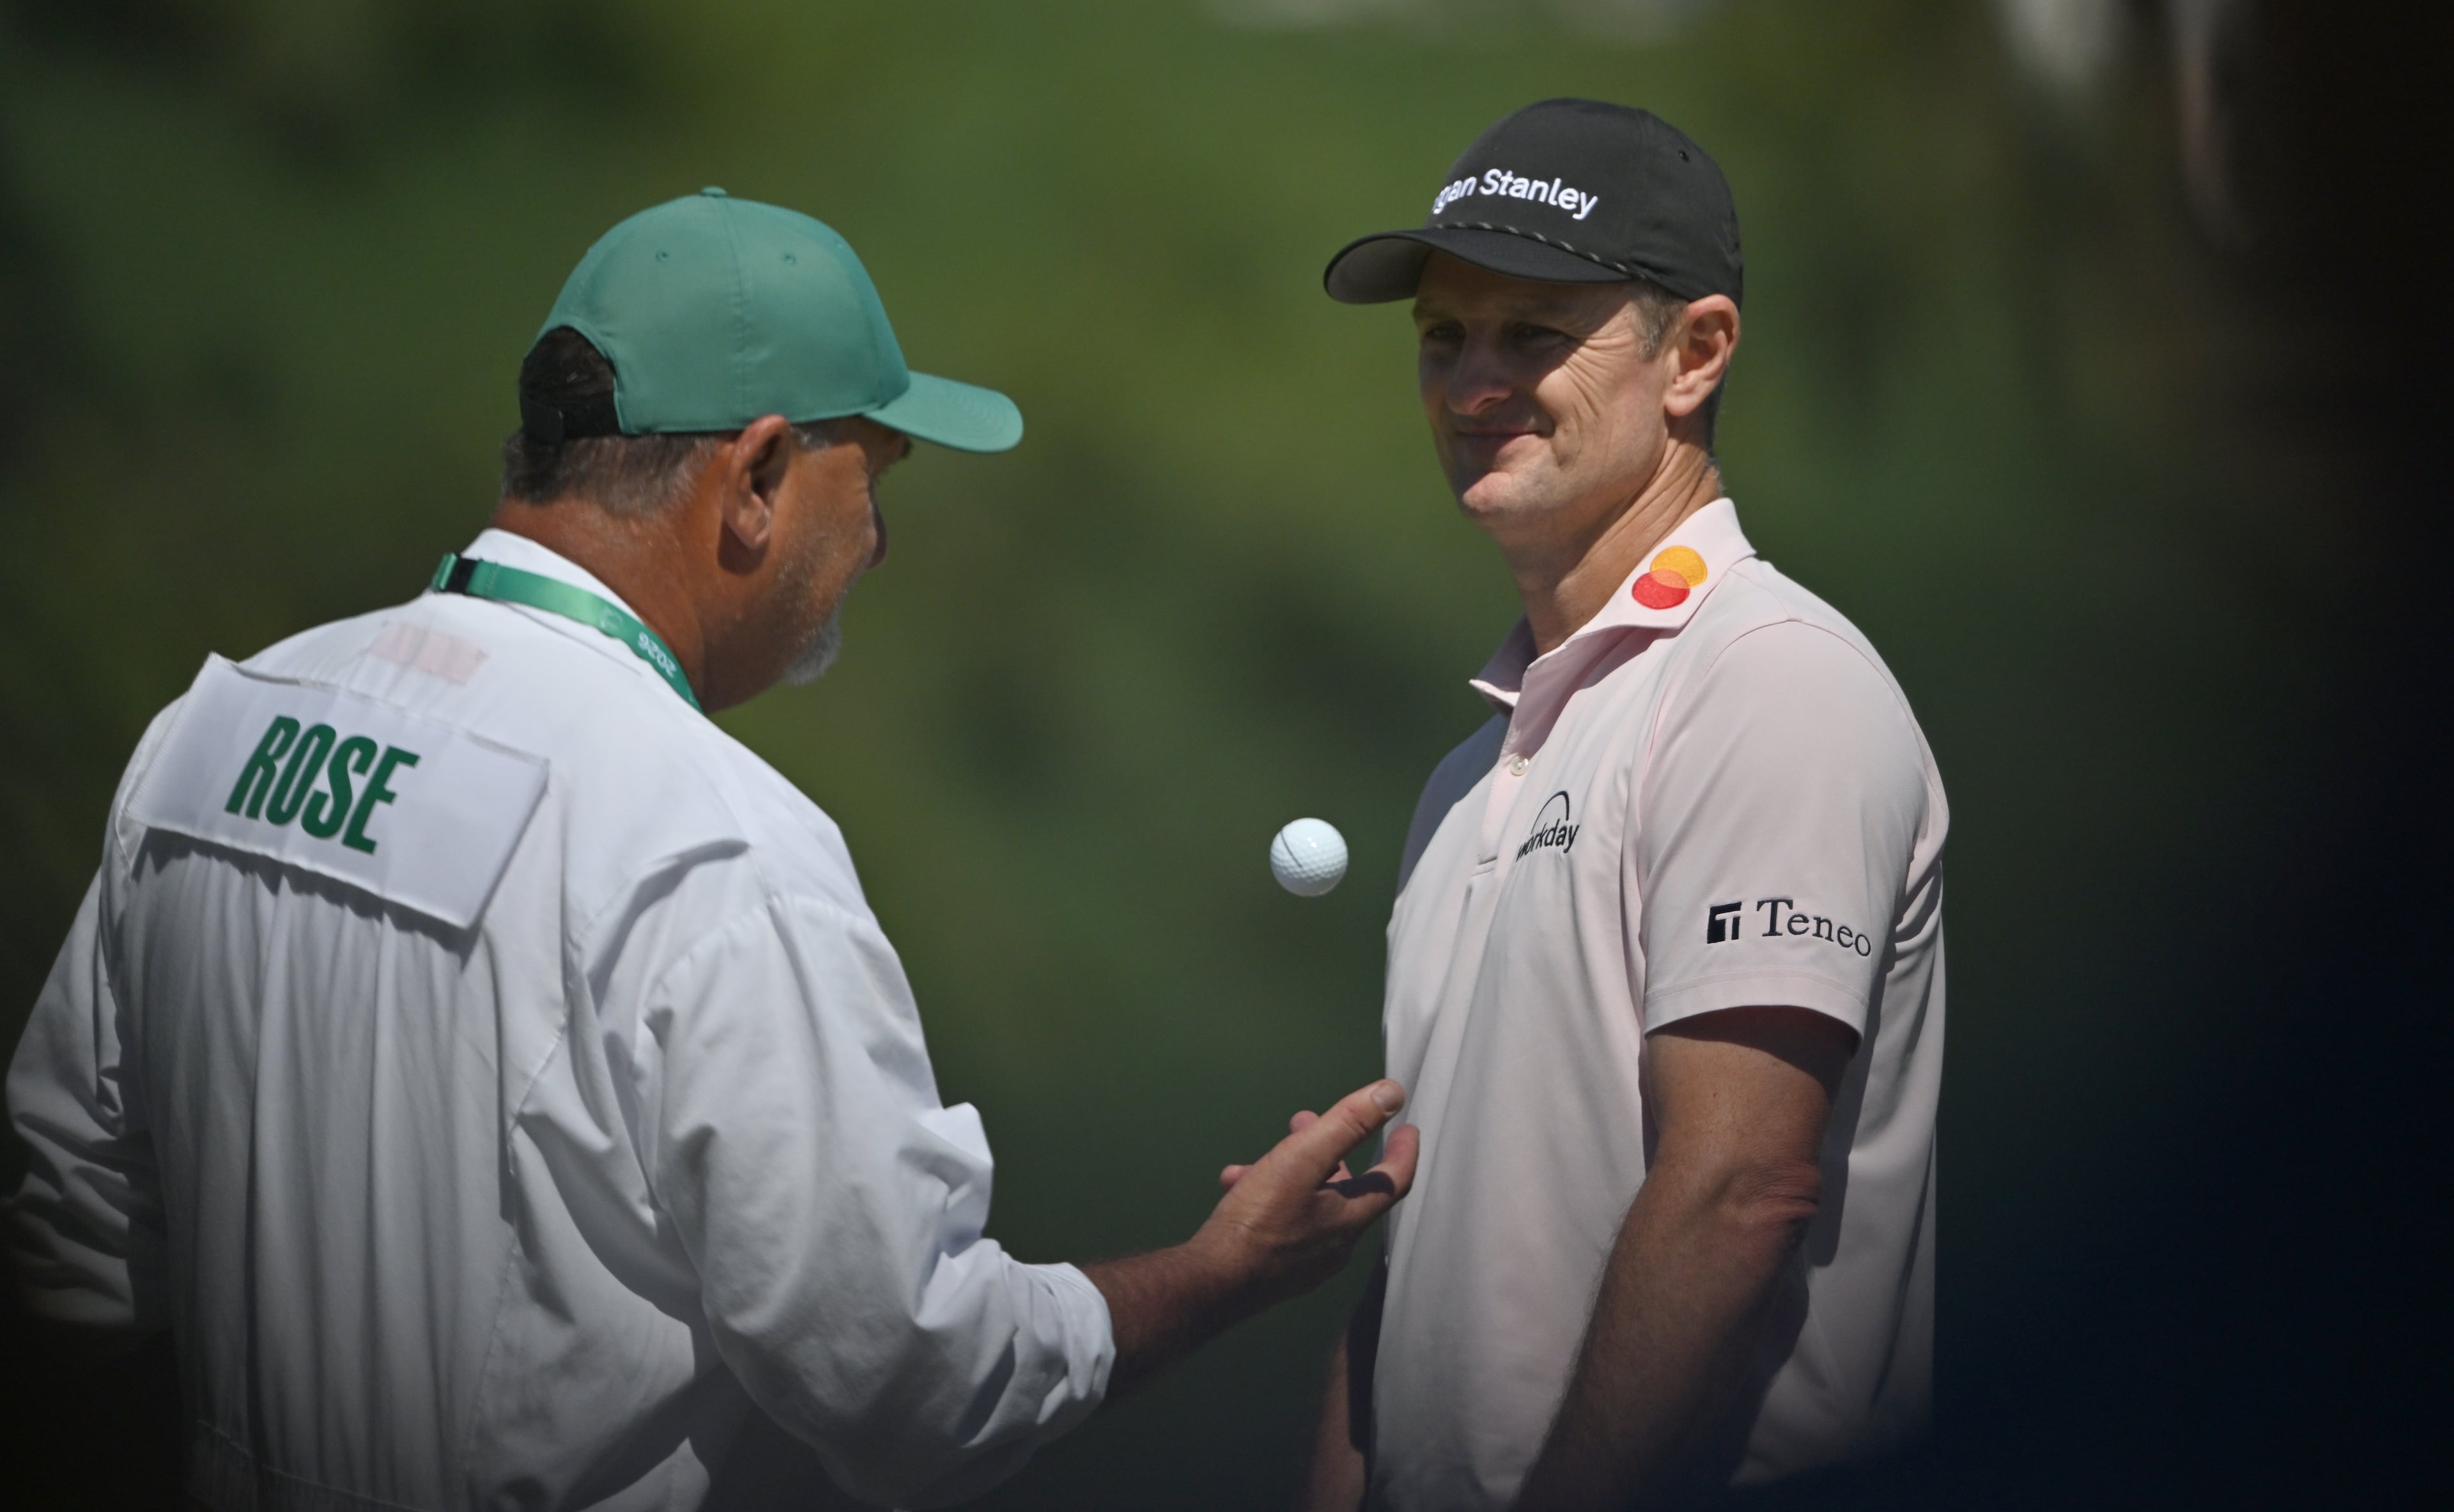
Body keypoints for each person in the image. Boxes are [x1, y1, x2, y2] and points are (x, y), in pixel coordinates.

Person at [3, 189, 1419, 1511]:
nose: (879, 544)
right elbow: (910, 1377)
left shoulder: (213, 730)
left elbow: (67, 1254)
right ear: (754, 474)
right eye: (876, 478)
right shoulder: (716, 847)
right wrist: (1220, 1272)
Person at [1300, 101, 1947, 1510]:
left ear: (1696, 353)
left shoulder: (1773, 680)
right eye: (1442, 337)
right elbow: (1418, 1264)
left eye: (1534, 334)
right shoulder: (1473, 769)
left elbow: (1738, 1193)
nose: (1474, 381)